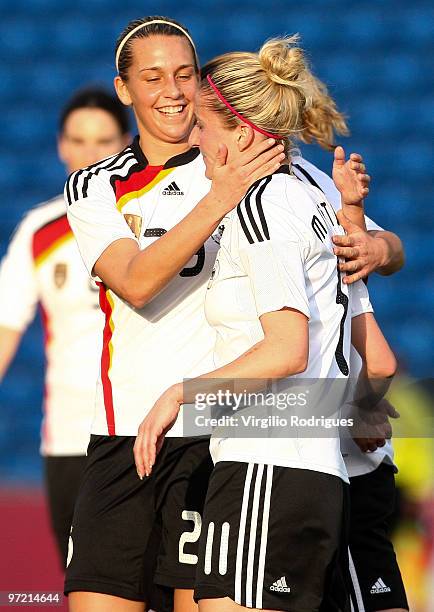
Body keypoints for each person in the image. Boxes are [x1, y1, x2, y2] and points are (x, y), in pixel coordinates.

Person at [134, 37, 398, 611]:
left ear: (245, 133)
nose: (193, 137)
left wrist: (181, 394)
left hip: (267, 467)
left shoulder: (264, 205)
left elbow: (286, 350)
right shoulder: (316, 203)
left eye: (203, 125)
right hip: (314, 470)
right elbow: (376, 356)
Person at [64, 16, 285, 612]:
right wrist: (220, 195)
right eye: (153, 76)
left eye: (185, 74)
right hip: (122, 436)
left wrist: (376, 245)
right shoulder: (96, 186)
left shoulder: (248, 159)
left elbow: (356, 237)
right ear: (123, 89)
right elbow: (134, 282)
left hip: (215, 437)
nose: (172, 90)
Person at [290, 72, 408, 612]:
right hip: (314, 447)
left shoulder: (308, 188)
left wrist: (376, 248)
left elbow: (386, 249)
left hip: (325, 455)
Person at [0, 87, 130, 566]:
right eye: (77, 140)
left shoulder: (160, 217)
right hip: (72, 437)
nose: (89, 154)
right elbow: (4, 328)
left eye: (103, 141)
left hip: (152, 433)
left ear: (127, 143)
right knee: (85, 586)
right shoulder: (40, 230)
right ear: (60, 145)